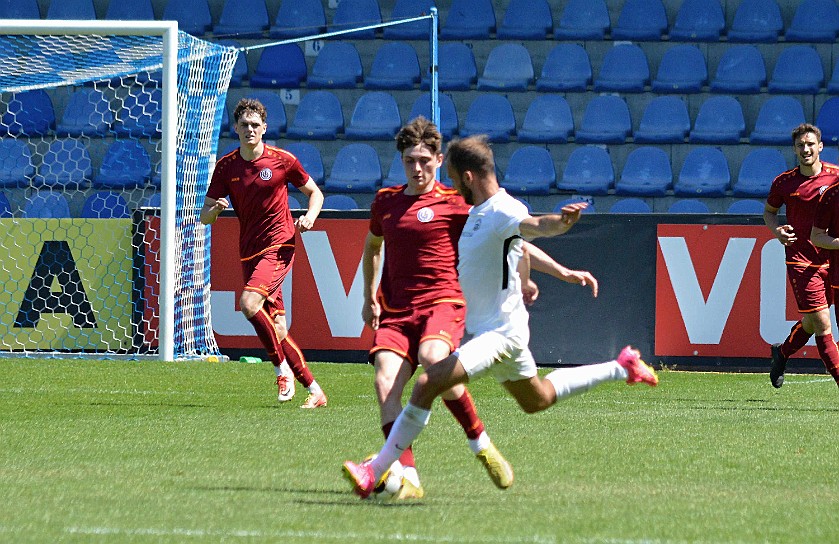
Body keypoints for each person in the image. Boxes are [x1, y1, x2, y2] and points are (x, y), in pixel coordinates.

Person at [343, 135, 658, 499]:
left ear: (467, 177)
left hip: (499, 335)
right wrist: (559, 273)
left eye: (450, 175)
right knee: (536, 399)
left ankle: (375, 470)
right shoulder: (477, 212)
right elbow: (520, 247)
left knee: (429, 381)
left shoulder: (502, 209)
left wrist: (561, 224)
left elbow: (536, 226)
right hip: (498, 333)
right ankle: (623, 366)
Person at [361, 117, 510, 499]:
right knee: (384, 383)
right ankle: (408, 477)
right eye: (410, 160)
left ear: (440, 160)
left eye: (425, 161)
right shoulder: (386, 201)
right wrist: (368, 297)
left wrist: (525, 274)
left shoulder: (455, 203)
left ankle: (480, 443)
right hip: (395, 311)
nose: (417, 168)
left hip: (441, 303)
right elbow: (372, 247)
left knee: (433, 358)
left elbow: (502, 235)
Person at [200, 98, 328, 408]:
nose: (250, 129)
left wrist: (310, 216)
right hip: (249, 251)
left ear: (264, 128)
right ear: (236, 128)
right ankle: (315, 390)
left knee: (248, 303)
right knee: (279, 329)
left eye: (255, 125)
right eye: (244, 125)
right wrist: (215, 211)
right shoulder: (226, 166)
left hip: (280, 244)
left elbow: (315, 192)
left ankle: (280, 369)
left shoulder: (282, 161)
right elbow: (204, 216)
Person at [765, 123, 839, 389]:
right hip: (801, 260)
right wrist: (777, 231)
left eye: (810, 144)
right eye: (800, 145)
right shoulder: (784, 182)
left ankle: (782, 353)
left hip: (831, 260)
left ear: (820, 146)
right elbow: (769, 212)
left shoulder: (836, 177)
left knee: (810, 321)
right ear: (794, 149)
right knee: (821, 322)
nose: (805, 149)